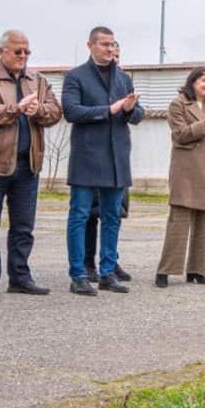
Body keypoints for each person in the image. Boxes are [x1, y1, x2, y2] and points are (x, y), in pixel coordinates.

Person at [0, 29, 63, 299]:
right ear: (1, 51)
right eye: (17, 51)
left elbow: (56, 111)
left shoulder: (38, 80)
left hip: (27, 165)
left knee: (23, 227)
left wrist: (39, 110)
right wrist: (16, 109)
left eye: (27, 51)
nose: (23, 56)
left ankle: (20, 277)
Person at [62, 26, 143, 296]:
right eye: (104, 44)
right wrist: (108, 110)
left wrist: (131, 109)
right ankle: (79, 274)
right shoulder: (76, 77)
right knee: (80, 216)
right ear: (91, 46)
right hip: (87, 157)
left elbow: (136, 113)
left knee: (112, 217)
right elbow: (71, 111)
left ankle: (108, 272)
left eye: (112, 44)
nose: (109, 49)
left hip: (117, 158)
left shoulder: (123, 78)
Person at [156, 67, 205, 287]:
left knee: (204, 222)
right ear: (193, 82)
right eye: (204, 80)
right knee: (178, 223)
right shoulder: (178, 104)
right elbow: (180, 135)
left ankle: (196, 270)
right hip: (186, 170)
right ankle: (165, 271)